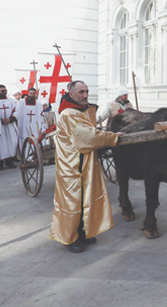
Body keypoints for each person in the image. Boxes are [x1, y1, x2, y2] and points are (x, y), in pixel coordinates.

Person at [50, 80, 123, 253]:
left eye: (86, 92)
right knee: (73, 202)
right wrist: (112, 137)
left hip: (83, 162)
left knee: (85, 200)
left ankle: (82, 232)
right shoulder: (68, 113)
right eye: (81, 92)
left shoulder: (80, 110)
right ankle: (69, 238)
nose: (85, 95)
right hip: (72, 167)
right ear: (71, 94)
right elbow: (87, 137)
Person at [0, 85, 18, 170]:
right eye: (2, 91)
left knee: (11, 142)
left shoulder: (11, 100)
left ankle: (9, 161)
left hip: (9, 125)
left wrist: (11, 119)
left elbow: (17, 110)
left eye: (5, 90)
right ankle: (0, 163)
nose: (4, 92)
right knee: (0, 144)